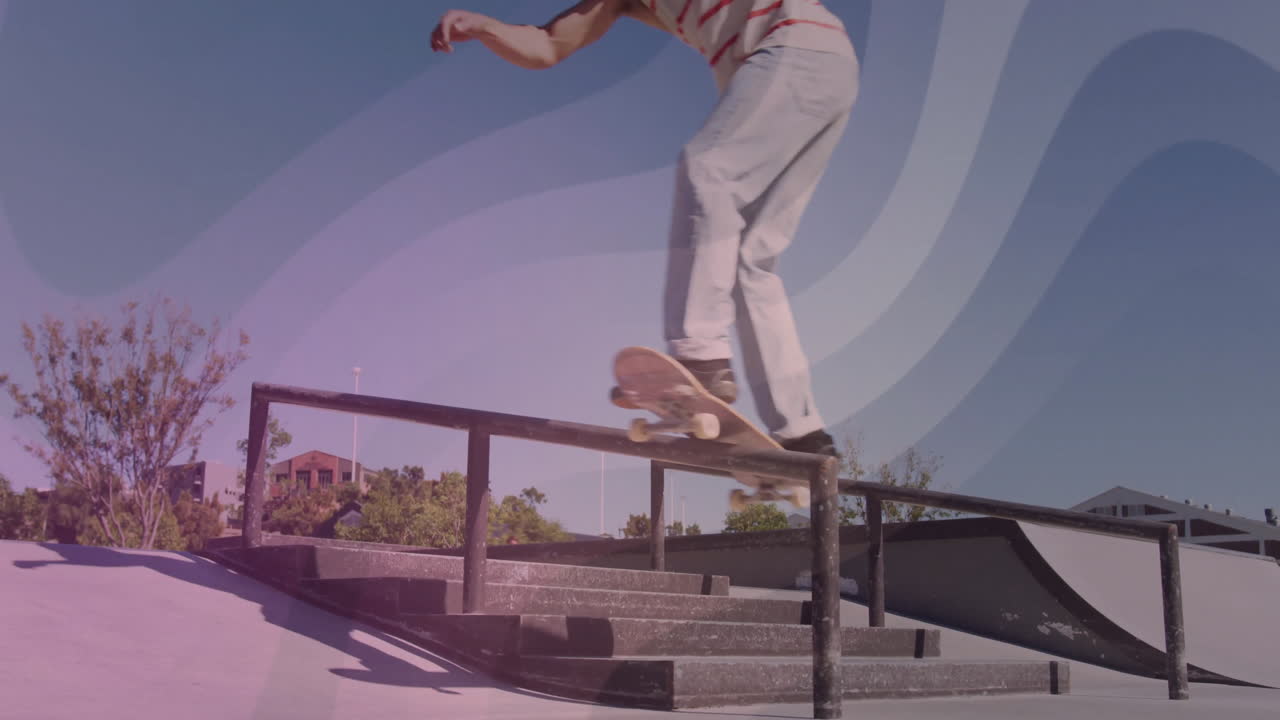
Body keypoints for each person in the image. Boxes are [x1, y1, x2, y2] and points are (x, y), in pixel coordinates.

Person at [430, 1, 858, 457]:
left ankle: (702, 353)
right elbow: (547, 45)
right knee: (753, 259)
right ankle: (803, 433)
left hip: (791, 47)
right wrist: (485, 26)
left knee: (708, 169)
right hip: (826, 68)